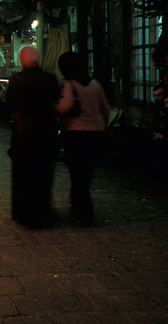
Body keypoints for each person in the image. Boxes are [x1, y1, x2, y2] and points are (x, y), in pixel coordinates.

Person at [4, 46, 60, 228]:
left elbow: (9, 106)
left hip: (24, 134)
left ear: (22, 61)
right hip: (46, 133)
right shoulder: (50, 79)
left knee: (23, 174)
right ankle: (41, 212)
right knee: (42, 173)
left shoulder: (16, 79)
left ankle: (24, 212)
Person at [54, 51, 110, 225]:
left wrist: (53, 106)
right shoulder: (94, 84)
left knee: (77, 173)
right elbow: (106, 110)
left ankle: (81, 212)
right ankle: (84, 209)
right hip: (96, 133)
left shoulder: (68, 84)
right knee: (86, 172)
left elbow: (65, 107)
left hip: (75, 133)